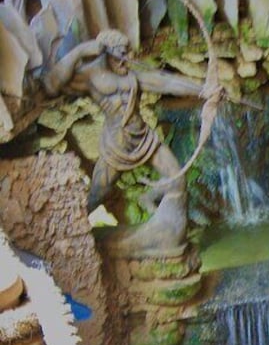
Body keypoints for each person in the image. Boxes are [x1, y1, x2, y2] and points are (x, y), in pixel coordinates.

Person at [42, 29, 214, 257]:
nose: (127, 57)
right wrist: (80, 50)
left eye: (128, 52)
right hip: (116, 144)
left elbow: (166, 82)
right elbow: (51, 84)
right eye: (121, 53)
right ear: (106, 53)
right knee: (97, 195)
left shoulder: (132, 74)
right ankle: (72, 236)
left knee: (177, 179)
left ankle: (160, 221)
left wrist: (204, 90)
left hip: (143, 137)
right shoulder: (90, 75)